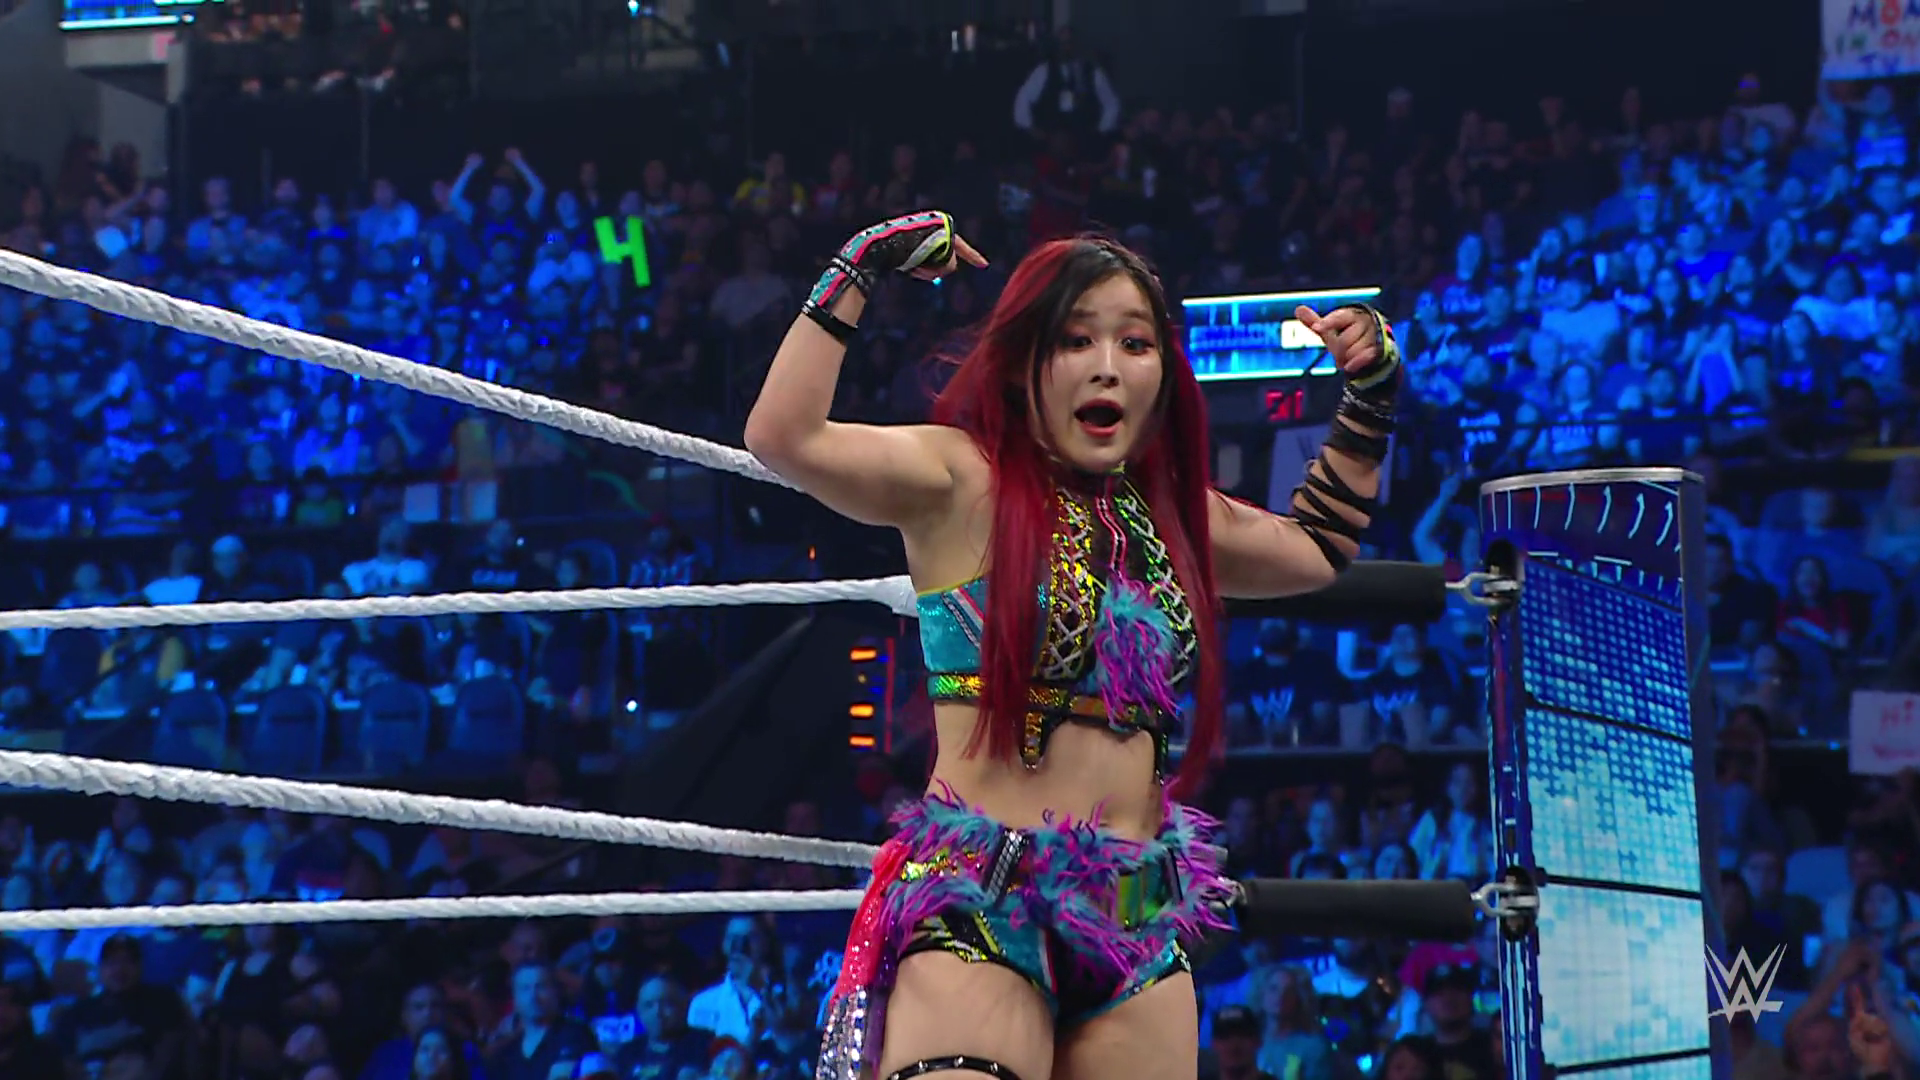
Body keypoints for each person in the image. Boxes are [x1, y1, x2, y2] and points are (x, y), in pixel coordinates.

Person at [746, 212, 1398, 1080]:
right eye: (1076, 339)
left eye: (1135, 343)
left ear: (1163, 374)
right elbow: (783, 438)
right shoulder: (962, 478)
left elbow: (1318, 546)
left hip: (1136, 921)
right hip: (982, 899)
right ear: (1026, 364)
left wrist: (1369, 395)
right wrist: (859, 267)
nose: (1106, 366)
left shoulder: (1175, 515)